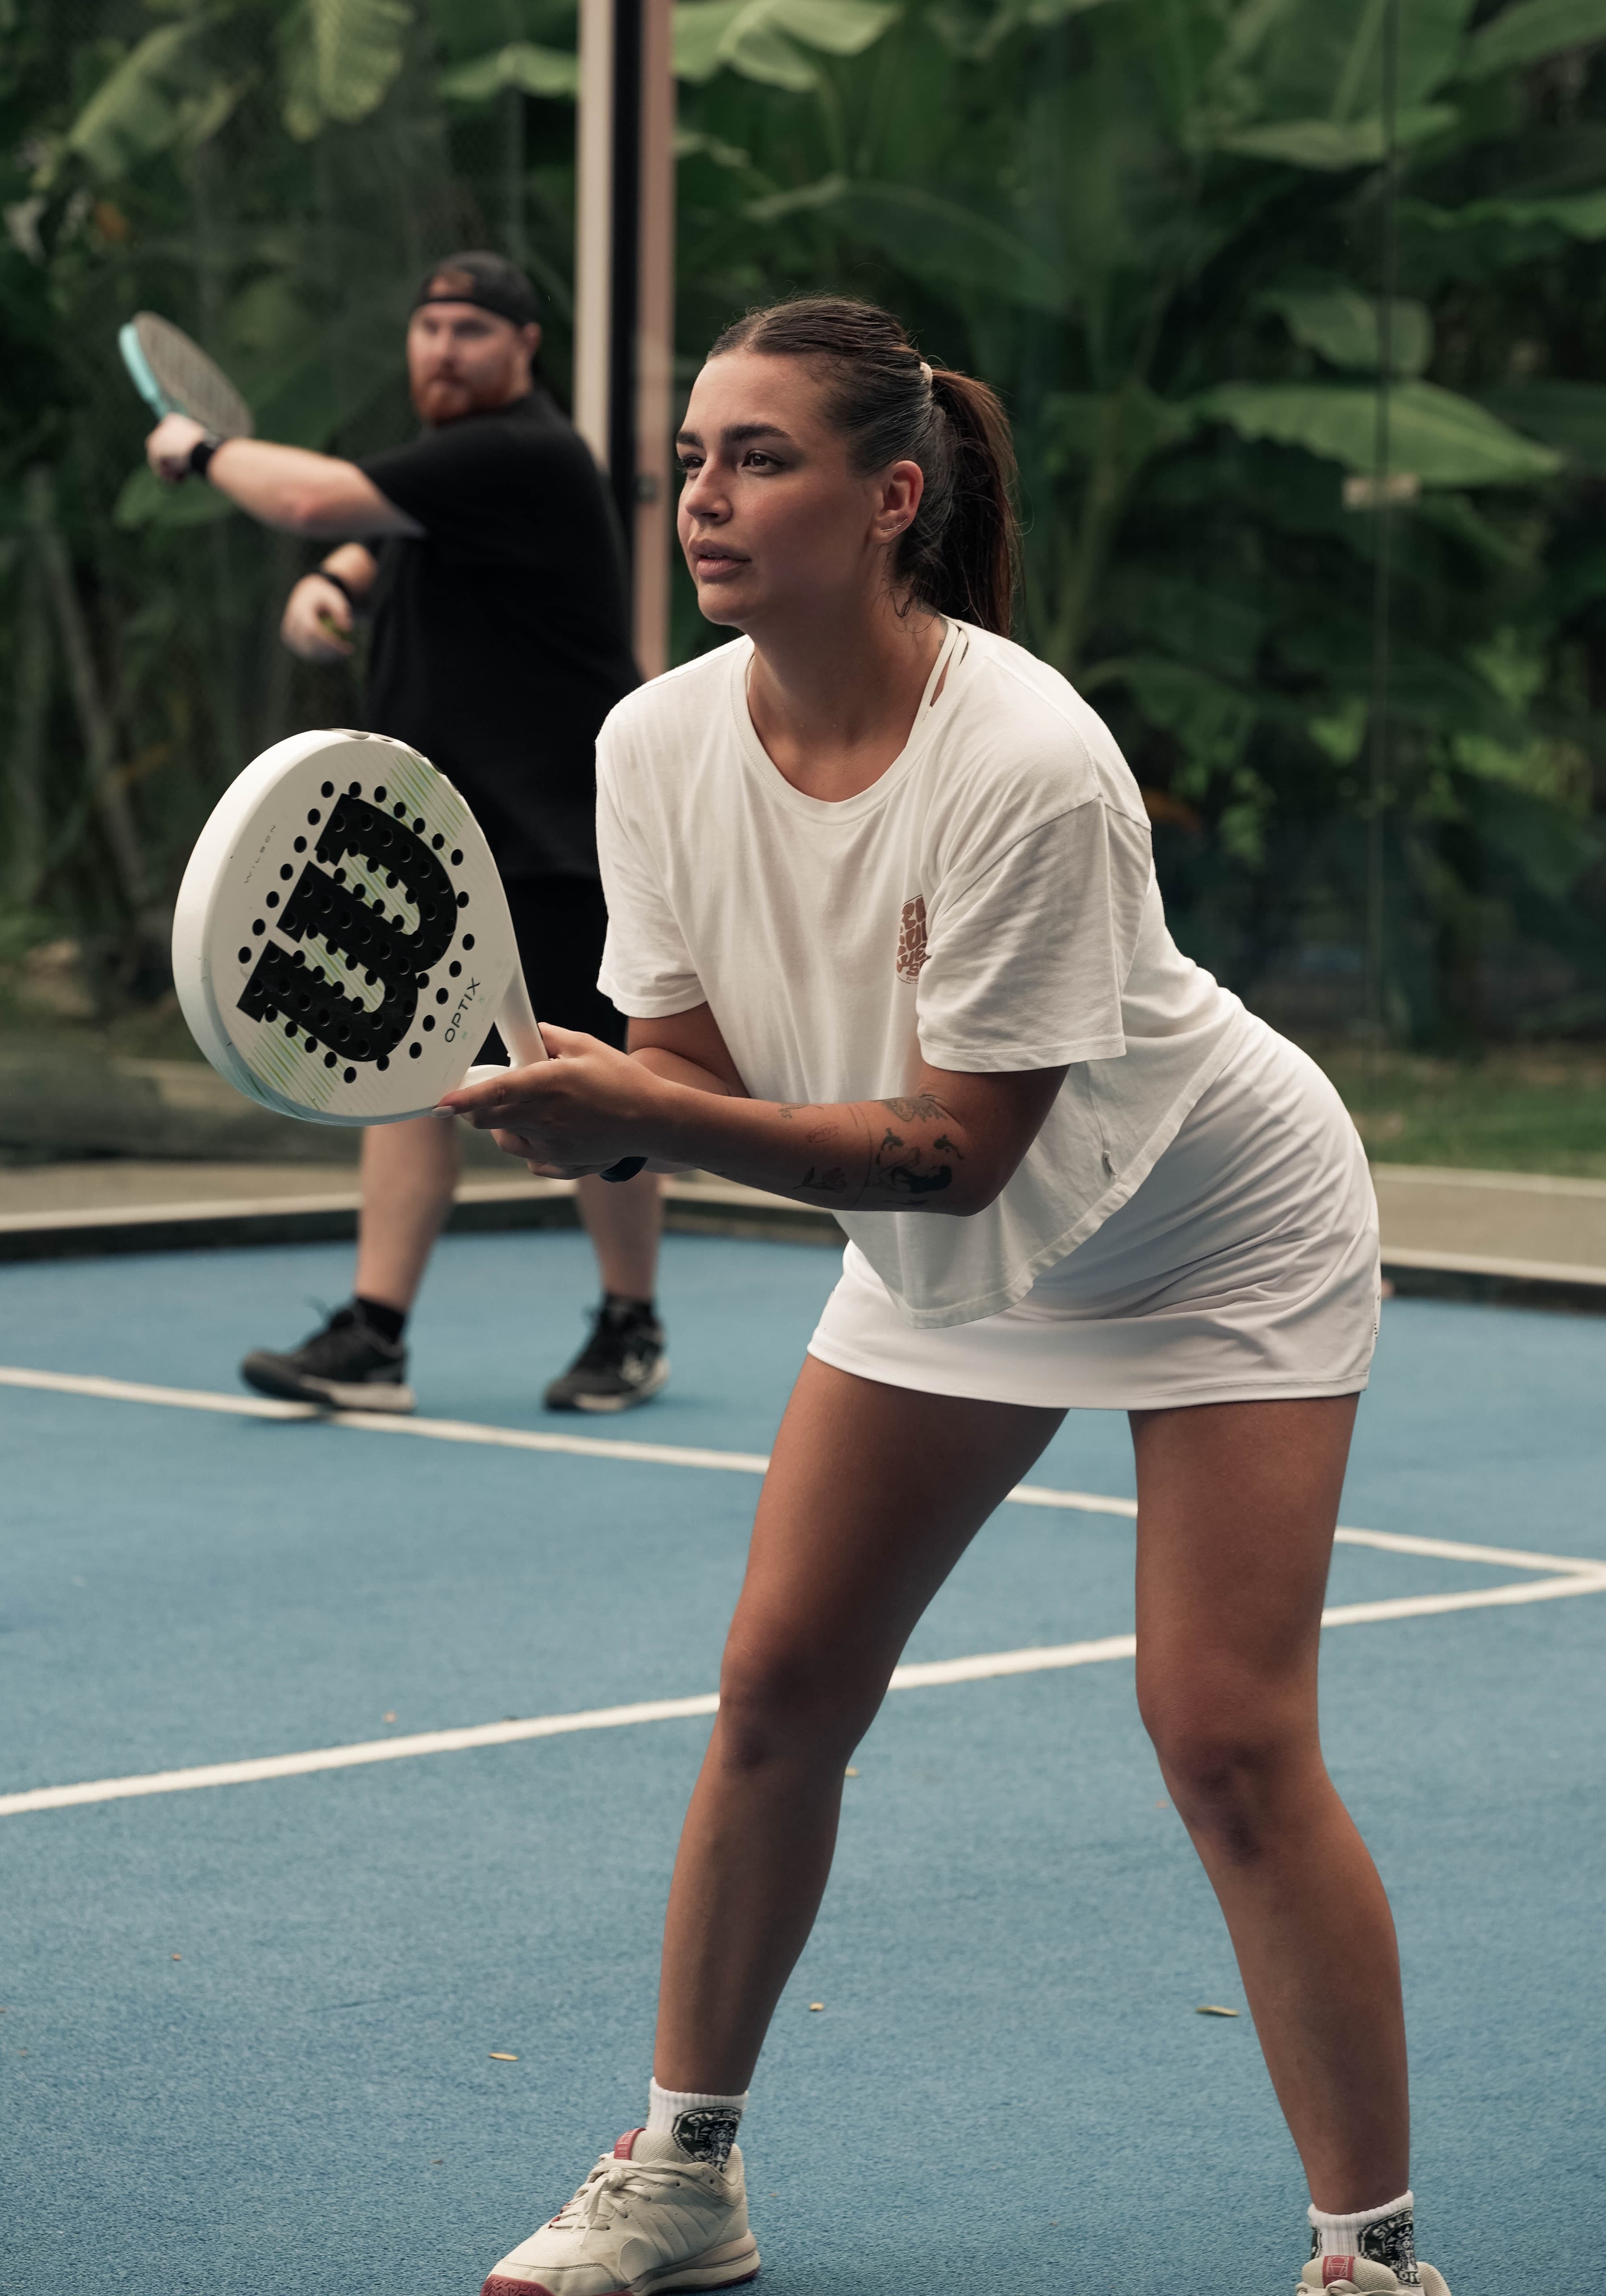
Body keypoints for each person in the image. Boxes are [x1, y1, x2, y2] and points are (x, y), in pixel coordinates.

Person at [442, 298, 1451, 2296]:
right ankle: (687, 2178)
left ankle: (1374, 2257)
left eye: (761, 458)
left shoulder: (1030, 758)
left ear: (892, 496)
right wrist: (611, 1116)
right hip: (934, 1245)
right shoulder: (652, 743)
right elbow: (706, 1091)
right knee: (778, 1690)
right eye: (692, 461)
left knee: (1226, 1740)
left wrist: (647, 1116)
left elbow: (956, 1150)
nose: (704, 500)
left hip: (1209, 1221)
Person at [146, 253, 668, 1417]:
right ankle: (374, 1337)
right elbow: (370, 539)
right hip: (430, 843)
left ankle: (630, 1322)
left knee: (584, 1082)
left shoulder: (525, 451)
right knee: (397, 1070)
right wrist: (333, 585)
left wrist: (202, 452)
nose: (442, 347)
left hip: (553, 836)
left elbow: (313, 501)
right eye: (428, 324)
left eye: (473, 328)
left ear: (525, 349)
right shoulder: (452, 475)